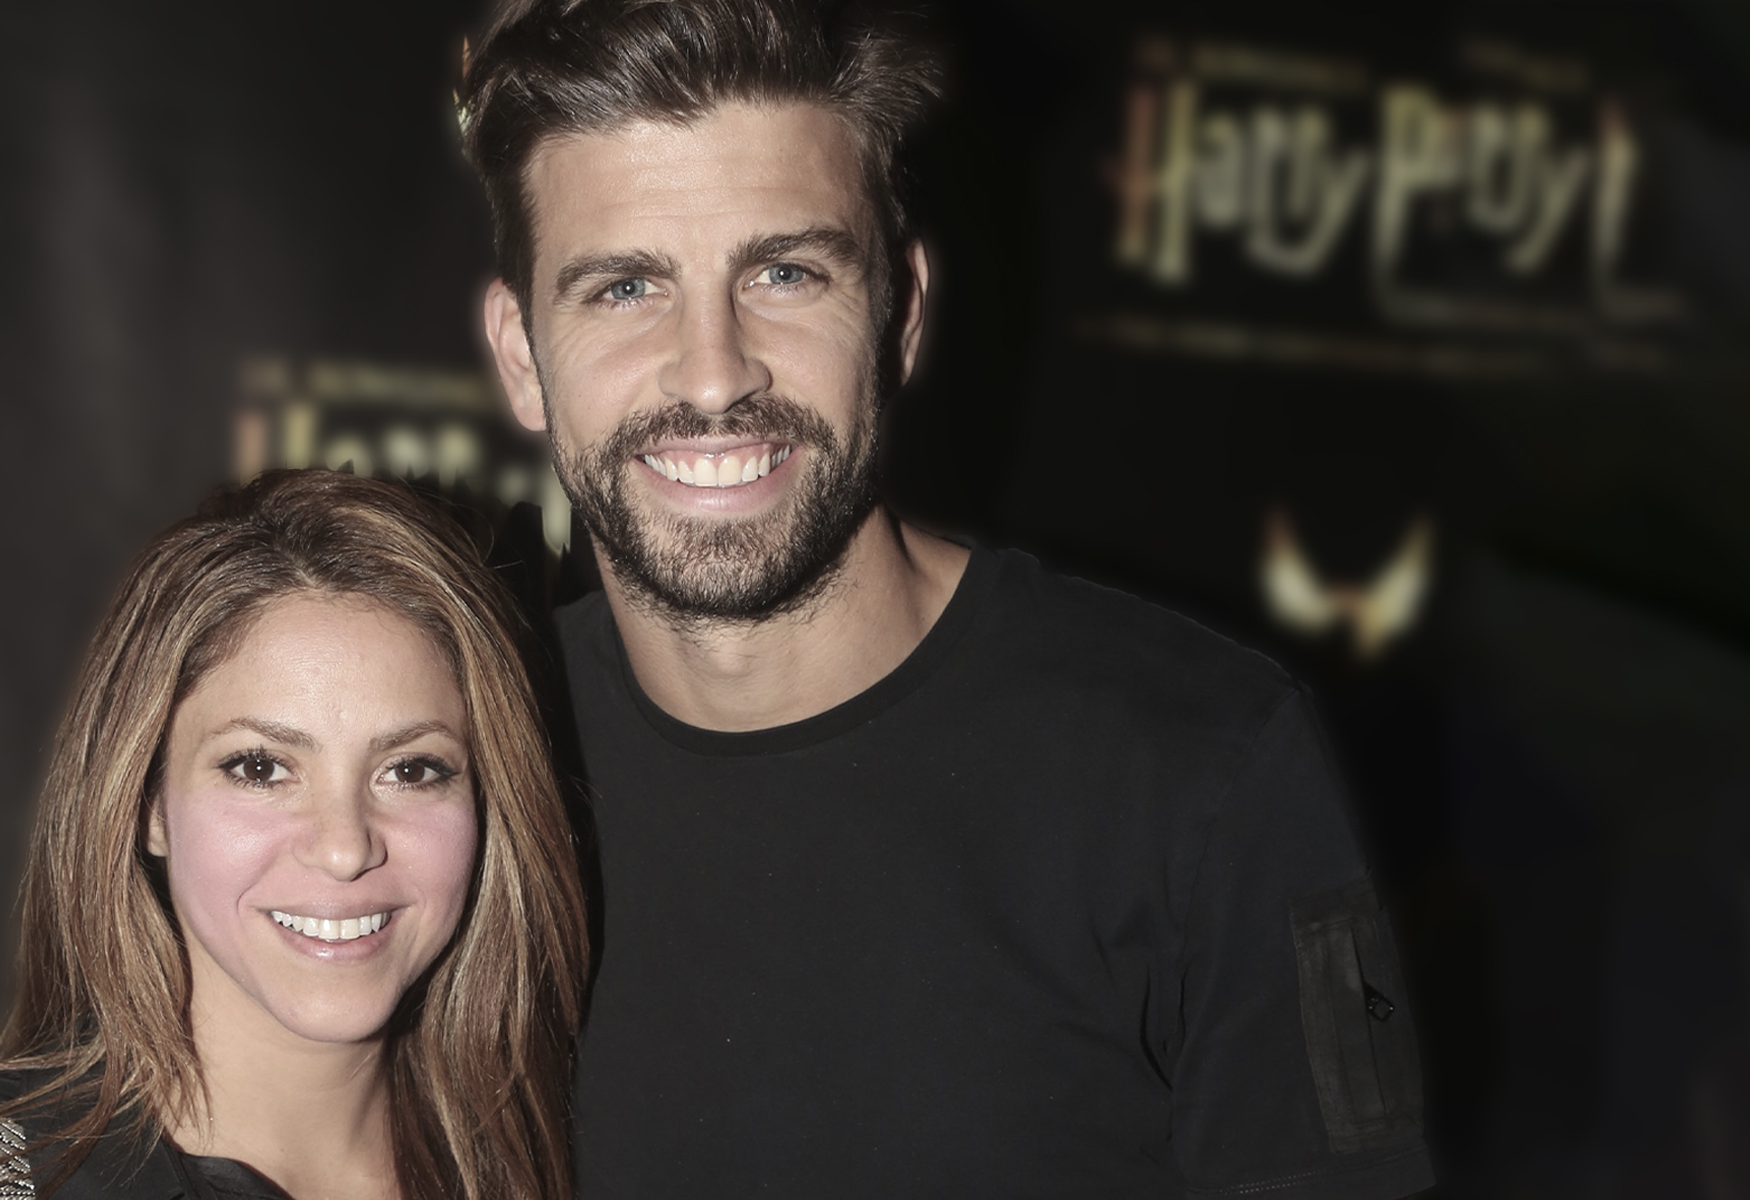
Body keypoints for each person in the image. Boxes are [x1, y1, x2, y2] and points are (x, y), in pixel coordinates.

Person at [463, 1, 1434, 1196]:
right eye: (623, 289)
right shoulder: (459, 766)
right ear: (521, 356)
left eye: (784, 271)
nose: (713, 371)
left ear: (900, 314)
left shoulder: (1202, 766)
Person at [0, 470, 589, 1200]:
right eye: (260, 767)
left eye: (413, 770)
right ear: (149, 802)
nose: (345, 846)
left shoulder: (572, 1154)